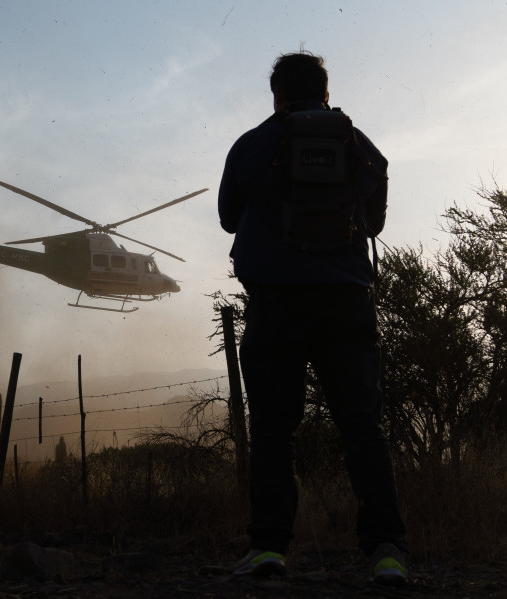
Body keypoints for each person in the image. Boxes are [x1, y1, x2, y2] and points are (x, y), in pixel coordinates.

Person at [217, 52, 409, 585]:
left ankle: (268, 550)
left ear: (275, 94)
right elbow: (374, 221)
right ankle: (387, 551)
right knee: (362, 427)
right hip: (346, 302)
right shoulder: (358, 144)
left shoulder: (252, 144)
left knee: (275, 432)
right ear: (326, 92)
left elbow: (229, 218)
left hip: (276, 303)